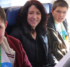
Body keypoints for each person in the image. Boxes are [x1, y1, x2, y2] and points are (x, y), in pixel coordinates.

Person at [10, 0, 55, 67]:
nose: (34, 17)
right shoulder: (16, 34)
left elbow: (49, 54)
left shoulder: (43, 31)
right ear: (25, 15)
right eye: (31, 13)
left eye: (38, 13)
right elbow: (18, 63)